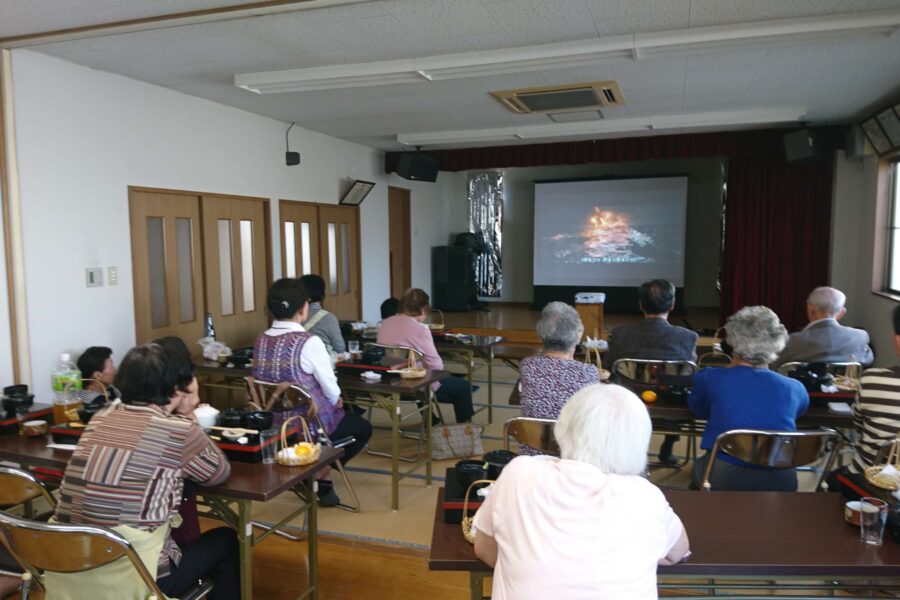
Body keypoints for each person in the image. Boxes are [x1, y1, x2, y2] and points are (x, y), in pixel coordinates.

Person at [52, 343, 239, 599]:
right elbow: (219, 473)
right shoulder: (178, 430)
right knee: (226, 541)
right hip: (136, 576)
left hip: (70, 567)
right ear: (174, 386)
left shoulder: (100, 418)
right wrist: (188, 414)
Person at [473, 384, 689, 599]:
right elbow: (677, 553)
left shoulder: (520, 473)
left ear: (564, 427)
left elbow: (484, 549)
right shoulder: (646, 497)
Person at [253, 278, 372, 506]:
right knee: (362, 428)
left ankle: (313, 478)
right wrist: (336, 400)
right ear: (303, 308)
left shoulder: (261, 340)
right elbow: (330, 387)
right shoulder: (309, 342)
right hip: (309, 427)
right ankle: (320, 474)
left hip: (273, 427)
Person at [689, 306, 809, 491]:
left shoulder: (710, 378)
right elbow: (799, 412)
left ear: (732, 339)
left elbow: (698, 410)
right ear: (778, 341)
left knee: (697, 469)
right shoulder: (794, 388)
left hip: (724, 476)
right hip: (781, 480)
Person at [606, 279, 698, 462]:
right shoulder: (688, 337)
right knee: (677, 389)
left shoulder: (620, 334)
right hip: (671, 406)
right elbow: (689, 374)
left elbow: (609, 368)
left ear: (641, 305)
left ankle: (628, 451)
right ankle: (668, 446)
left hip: (628, 403)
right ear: (672, 305)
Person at [377, 288, 474, 423]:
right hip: (413, 383)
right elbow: (436, 365)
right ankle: (465, 431)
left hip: (386, 379)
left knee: (418, 367)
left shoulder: (385, 323)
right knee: (462, 387)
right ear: (422, 309)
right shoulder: (420, 329)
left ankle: (429, 419)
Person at [517, 302, 599, 453]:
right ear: (577, 336)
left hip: (532, 456)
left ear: (541, 334)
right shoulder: (589, 373)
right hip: (573, 456)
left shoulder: (528, 365)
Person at [847, 304, 900, 476]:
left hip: (868, 481)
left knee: (833, 480)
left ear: (897, 340)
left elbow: (858, 427)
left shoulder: (872, 380)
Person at [772, 286, 874, 369]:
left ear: (811, 310)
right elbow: (868, 360)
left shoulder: (791, 341)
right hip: (845, 393)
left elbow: (774, 368)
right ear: (841, 313)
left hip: (802, 393)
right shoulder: (859, 337)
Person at [299, 274, 346, 354]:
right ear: (321, 293)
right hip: (321, 362)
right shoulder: (328, 317)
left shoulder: (292, 315)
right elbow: (340, 348)